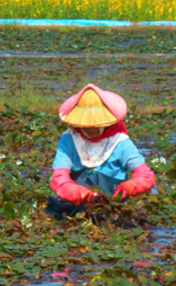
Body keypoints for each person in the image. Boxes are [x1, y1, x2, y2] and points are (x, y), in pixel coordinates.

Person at [47, 83, 156, 219]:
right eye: (87, 126)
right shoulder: (69, 139)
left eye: (97, 126)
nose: (92, 129)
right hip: (78, 205)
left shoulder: (120, 142)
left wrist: (128, 188)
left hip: (114, 205)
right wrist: (86, 195)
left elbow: (146, 176)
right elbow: (58, 179)